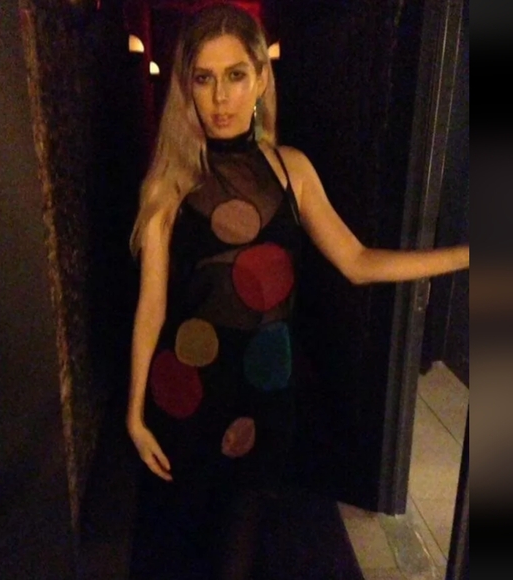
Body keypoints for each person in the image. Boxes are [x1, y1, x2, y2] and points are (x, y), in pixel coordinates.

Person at [126, 3, 469, 579]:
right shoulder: (172, 181)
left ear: (261, 78)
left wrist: (464, 258)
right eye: (204, 79)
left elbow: (358, 262)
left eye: (236, 75)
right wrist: (135, 416)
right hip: (188, 395)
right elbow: (152, 306)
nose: (221, 97)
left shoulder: (293, 170)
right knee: (184, 548)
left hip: (266, 389)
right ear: (187, 88)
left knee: (242, 546)